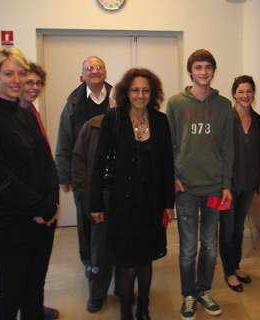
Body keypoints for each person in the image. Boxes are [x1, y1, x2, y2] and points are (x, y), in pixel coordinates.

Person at [0, 47, 59, 320]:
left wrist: (51, 205)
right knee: (10, 294)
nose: (17, 80)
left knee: (35, 290)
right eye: (8, 73)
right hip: (11, 225)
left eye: (21, 73)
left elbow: (46, 163)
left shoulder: (26, 112)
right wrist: (39, 208)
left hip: (41, 222)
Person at [90, 68, 175, 320]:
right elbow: (98, 162)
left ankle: (144, 309)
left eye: (146, 90)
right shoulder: (113, 118)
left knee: (146, 259)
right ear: (127, 92)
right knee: (127, 264)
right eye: (135, 90)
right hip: (122, 203)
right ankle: (126, 312)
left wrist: (169, 203)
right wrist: (95, 203)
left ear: (153, 93)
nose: (140, 95)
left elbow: (167, 164)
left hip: (151, 202)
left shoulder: (160, 121)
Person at [166, 49, 234, 320]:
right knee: (187, 248)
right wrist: (173, 177)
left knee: (209, 244)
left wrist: (226, 183)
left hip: (215, 186)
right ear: (190, 71)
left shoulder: (224, 105)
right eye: (198, 67)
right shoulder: (175, 103)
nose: (203, 72)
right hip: (186, 188)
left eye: (207, 67)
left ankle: (204, 289)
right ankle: (188, 295)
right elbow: (168, 146)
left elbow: (228, 148)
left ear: (213, 71)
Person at [54, 56, 112, 312]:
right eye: (89, 68)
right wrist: (64, 176)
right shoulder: (74, 102)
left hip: (114, 176)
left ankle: (117, 277)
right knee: (88, 228)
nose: (95, 71)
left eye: (98, 67)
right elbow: (64, 139)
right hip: (85, 176)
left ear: (105, 71)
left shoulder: (116, 97)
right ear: (83, 74)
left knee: (113, 229)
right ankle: (92, 268)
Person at [18, 62, 60, 320]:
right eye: (29, 82)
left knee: (38, 266)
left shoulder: (31, 111)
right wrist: (37, 207)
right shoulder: (13, 116)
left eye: (38, 83)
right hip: (30, 207)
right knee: (25, 268)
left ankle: (34, 307)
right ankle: (29, 310)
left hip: (44, 201)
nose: (34, 88)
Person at [71, 87, 118, 315]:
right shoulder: (92, 126)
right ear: (110, 100)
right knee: (99, 251)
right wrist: (84, 196)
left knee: (125, 248)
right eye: (118, 99)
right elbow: (78, 163)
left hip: (126, 200)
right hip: (99, 198)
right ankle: (97, 294)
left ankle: (123, 288)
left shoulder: (137, 126)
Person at [219, 75, 260, 292]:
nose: (245, 95)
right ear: (234, 93)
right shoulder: (227, 117)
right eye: (241, 91)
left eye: (249, 91)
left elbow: (256, 152)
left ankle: (235, 266)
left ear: (253, 93)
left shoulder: (258, 120)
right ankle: (228, 272)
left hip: (247, 184)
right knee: (226, 229)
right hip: (227, 186)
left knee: (238, 228)